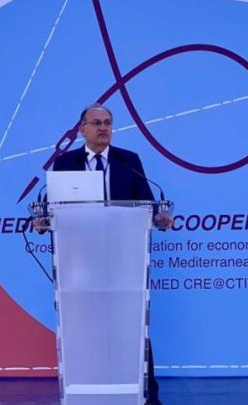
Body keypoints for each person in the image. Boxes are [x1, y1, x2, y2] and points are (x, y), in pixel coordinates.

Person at [52, 103, 171, 405]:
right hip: (79, 261)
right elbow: (53, 209)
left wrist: (158, 216)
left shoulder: (128, 161)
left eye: (108, 122)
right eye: (96, 123)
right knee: (84, 326)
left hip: (123, 258)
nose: (103, 128)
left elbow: (146, 203)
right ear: (82, 129)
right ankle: (88, 387)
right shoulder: (65, 163)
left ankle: (147, 394)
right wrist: (42, 222)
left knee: (132, 325)